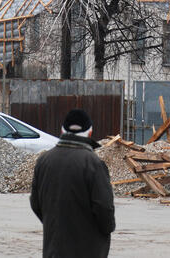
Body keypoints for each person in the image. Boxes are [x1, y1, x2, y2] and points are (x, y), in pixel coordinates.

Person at [30, 109, 115, 258]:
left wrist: (54, 223)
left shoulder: (44, 161)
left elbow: (35, 203)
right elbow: (104, 208)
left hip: (54, 249)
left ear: (62, 130)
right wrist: (107, 228)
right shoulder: (94, 164)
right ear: (90, 133)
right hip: (88, 249)